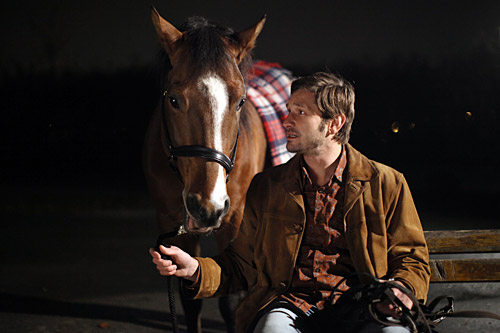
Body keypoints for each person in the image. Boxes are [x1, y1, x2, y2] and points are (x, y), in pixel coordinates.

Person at [150, 72, 430, 332]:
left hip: (365, 307)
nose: (286, 121)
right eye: (289, 110)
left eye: (301, 112)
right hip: (291, 306)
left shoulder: (386, 183)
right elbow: (240, 265)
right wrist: (195, 269)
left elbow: (412, 257)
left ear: (334, 124)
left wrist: (403, 288)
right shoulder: (266, 186)